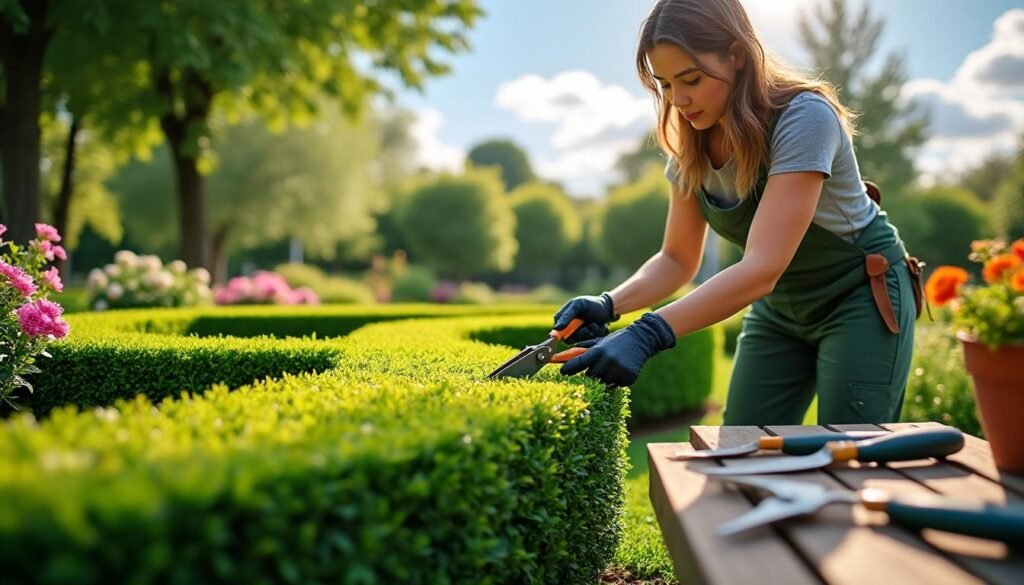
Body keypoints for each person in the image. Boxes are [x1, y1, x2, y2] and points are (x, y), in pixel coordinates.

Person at [553, 0, 923, 425]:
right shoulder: (689, 144)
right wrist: (609, 303)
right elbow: (677, 259)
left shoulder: (804, 118)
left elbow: (763, 266)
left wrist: (650, 332)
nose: (679, 100)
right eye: (666, 85)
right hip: (781, 307)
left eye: (690, 79)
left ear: (737, 54)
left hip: (860, 295)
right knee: (742, 447)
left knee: (852, 449)